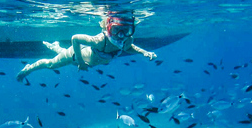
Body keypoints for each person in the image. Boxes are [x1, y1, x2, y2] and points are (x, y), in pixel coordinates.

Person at [16, 15, 157, 82]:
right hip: (77, 56)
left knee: (64, 56)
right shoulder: (101, 40)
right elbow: (75, 38)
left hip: (86, 61)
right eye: (116, 30)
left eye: (126, 31)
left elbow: (128, 47)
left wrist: (145, 52)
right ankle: (28, 68)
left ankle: (56, 47)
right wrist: (81, 63)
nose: (120, 36)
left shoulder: (126, 40)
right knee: (52, 64)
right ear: (108, 28)